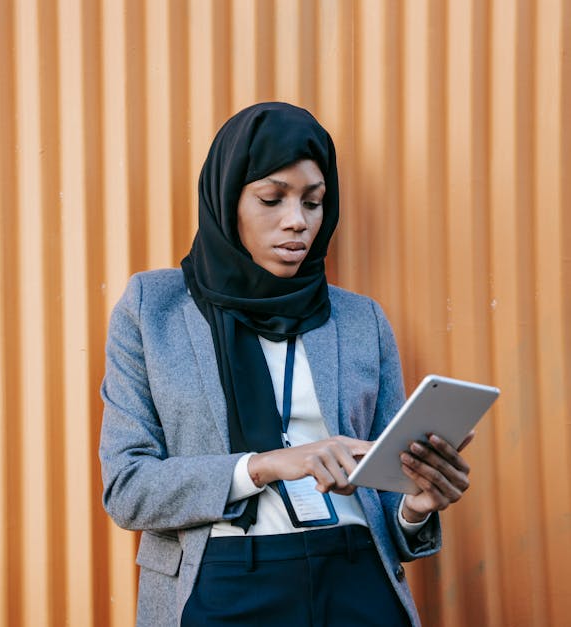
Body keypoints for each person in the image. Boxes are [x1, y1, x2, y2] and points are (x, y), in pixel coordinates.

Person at [99, 102, 473, 627]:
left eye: (314, 203)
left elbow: (386, 499)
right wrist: (268, 464)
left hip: (355, 573)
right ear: (227, 199)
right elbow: (127, 489)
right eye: (272, 199)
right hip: (221, 581)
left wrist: (417, 505)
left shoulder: (360, 319)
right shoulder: (153, 309)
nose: (297, 221)